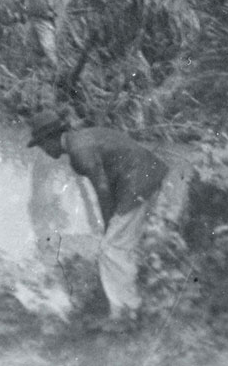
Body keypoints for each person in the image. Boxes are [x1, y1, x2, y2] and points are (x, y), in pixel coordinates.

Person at [25, 110, 168, 322]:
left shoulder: (79, 153)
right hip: (149, 175)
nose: (44, 151)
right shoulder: (84, 137)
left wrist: (108, 224)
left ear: (50, 140)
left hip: (137, 185)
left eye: (42, 145)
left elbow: (102, 189)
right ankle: (143, 296)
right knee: (125, 244)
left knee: (112, 249)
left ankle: (126, 312)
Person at [25, 0, 71, 71]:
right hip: (33, 20)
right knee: (33, 49)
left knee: (48, 49)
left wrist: (57, 12)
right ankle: (37, 77)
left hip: (45, 21)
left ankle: (57, 75)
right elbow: (30, 0)